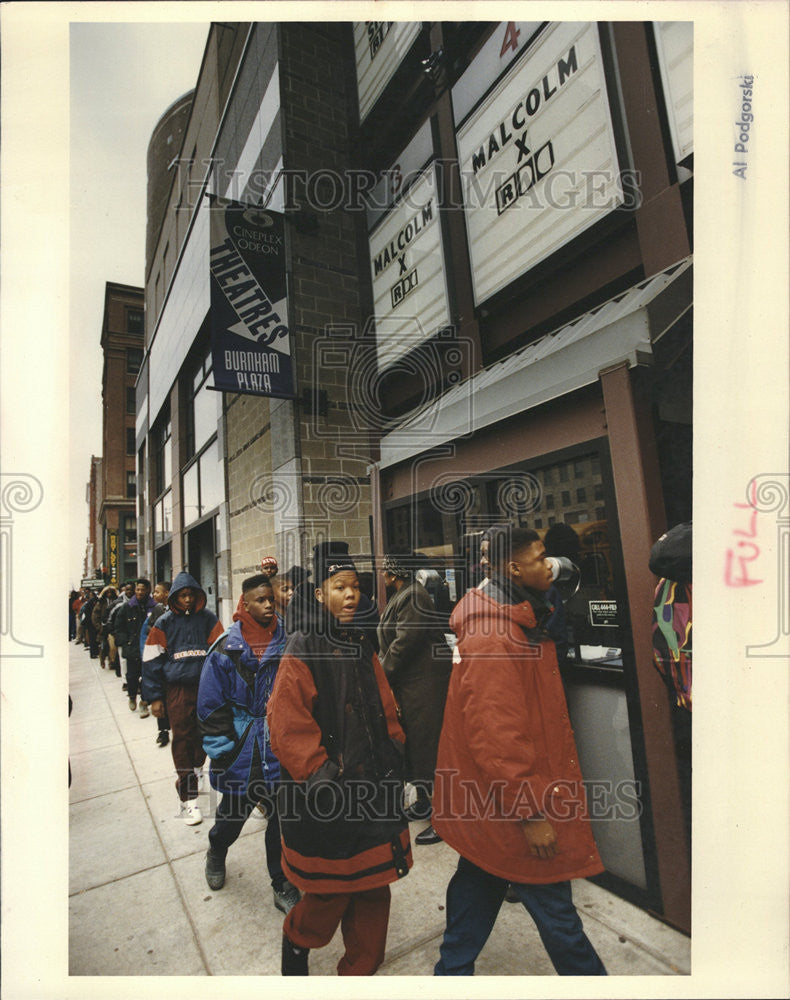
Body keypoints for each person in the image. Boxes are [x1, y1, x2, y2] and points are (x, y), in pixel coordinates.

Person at [432, 525, 606, 976]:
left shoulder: (512, 614)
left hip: (492, 801)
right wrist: (531, 815)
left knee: (478, 882)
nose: (549, 565)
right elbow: (498, 737)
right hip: (513, 805)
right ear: (513, 568)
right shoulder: (493, 634)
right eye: (540, 558)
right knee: (558, 916)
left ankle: (450, 974)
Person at [267, 541, 412, 976]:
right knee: (329, 893)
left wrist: (396, 750)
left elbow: (386, 706)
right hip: (329, 798)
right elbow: (286, 724)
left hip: (375, 791)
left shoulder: (359, 639)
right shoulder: (303, 644)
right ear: (318, 594)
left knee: (373, 889)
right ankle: (297, 945)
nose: (351, 595)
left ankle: (359, 972)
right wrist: (321, 777)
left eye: (355, 587)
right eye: (339, 586)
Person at [197, 573, 299, 913]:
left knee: (282, 821)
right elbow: (211, 707)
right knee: (232, 815)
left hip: (280, 748)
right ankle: (217, 851)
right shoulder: (226, 649)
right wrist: (224, 752)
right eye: (260, 600)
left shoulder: (289, 641)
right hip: (243, 751)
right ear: (245, 603)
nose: (269, 604)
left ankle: (281, 883)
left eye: (271, 598)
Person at [377, 552, 451, 846]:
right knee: (415, 748)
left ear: (394, 574)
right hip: (411, 685)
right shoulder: (405, 594)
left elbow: (404, 642)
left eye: (386, 570)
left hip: (425, 686)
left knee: (427, 749)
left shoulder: (414, 596)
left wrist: (380, 675)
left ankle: (443, 819)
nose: (382, 574)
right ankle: (423, 802)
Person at [142, 572, 224, 824]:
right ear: (174, 598)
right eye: (183, 595)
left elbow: (221, 653)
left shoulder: (209, 619)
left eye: (191, 595)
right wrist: (155, 697)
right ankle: (188, 800)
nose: (187, 600)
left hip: (207, 687)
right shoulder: (164, 623)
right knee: (182, 738)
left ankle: (198, 767)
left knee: (205, 735)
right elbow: (151, 662)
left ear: (198, 596)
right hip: (177, 690)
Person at [115, 579, 156, 716]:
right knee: (132, 676)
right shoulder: (127, 607)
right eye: (137, 589)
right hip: (132, 649)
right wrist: (125, 643)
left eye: (142, 589)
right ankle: (132, 696)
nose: (139, 592)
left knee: (147, 677)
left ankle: (144, 703)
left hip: (149, 649)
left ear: (147, 590)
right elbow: (118, 627)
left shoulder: (154, 608)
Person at [140, 582, 172, 747]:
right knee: (161, 694)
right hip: (161, 654)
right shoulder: (158, 610)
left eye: (157, 591)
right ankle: (163, 731)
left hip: (174, 657)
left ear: (167, 593)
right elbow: (150, 628)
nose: (154, 594)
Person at [93, 586, 118, 669]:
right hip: (103, 627)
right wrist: (99, 627)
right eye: (108, 592)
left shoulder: (116, 601)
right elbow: (95, 616)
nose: (109, 594)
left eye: (111, 592)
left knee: (112, 646)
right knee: (103, 646)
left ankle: (112, 662)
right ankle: (102, 660)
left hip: (112, 627)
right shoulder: (100, 603)